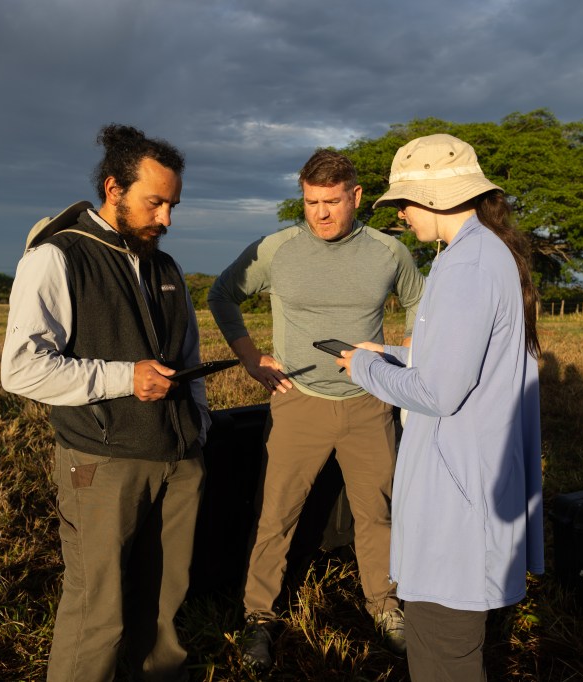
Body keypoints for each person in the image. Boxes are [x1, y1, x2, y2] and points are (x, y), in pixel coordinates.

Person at [1, 124, 210, 682]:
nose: (166, 218)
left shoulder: (166, 267)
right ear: (113, 188)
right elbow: (20, 369)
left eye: (173, 205)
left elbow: (186, 354)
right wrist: (126, 378)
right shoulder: (57, 257)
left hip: (179, 456)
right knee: (99, 609)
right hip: (102, 460)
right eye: (155, 202)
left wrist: (200, 423)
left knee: (164, 603)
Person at [207, 148, 424, 670]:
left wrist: (407, 362)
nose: (321, 213)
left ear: (356, 196)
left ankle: (386, 607)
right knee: (275, 513)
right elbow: (222, 295)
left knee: (379, 512)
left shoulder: (389, 252)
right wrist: (251, 357)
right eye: (310, 202)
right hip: (298, 402)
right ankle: (259, 617)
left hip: (371, 402)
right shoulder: (277, 249)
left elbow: (420, 302)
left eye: (331, 202)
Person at [336, 134, 544, 681]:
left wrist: (363, 369)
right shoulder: (480, 253)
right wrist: (394, 354)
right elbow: (462, 360)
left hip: (456, 498)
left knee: (442, 652)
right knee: (444, 645)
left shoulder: (466, 265)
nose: (399, 212)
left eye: (404, 200)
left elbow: (439, 392)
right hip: (467, 486)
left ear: (438, 195)